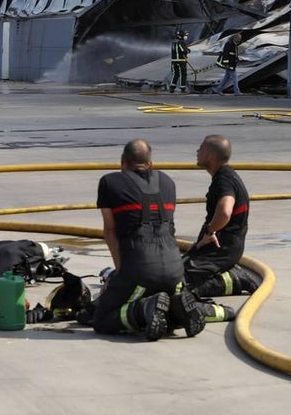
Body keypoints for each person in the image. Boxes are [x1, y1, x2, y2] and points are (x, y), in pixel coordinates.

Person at [92, 139, 204, 341]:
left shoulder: (109, 182)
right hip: (175, 270)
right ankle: (176, 309)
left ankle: (144, 308)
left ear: (122, 161)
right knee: (159, 302)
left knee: (102, 319)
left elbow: (110, 231)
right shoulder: (168, 182)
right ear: (150, 163)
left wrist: (119, 271)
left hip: (139, 268)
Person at [183, 135, 261, 321]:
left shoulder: (223, 180)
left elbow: (225, 211)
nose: (197, 151)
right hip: (223, 248)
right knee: (175, 270)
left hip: (220, 249)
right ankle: (231, 278)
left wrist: (210, 231)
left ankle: (234, 279)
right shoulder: (226, 176)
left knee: (180, 284)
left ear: (210, 154)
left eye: (201, 148)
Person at [170, 29, 190, 93]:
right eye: (185, 35)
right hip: (181, 62)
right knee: (183, 75)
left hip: (173, 61)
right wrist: (188, 51)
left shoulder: (173, 43)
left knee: (175, 74)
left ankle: (172, 88)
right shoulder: (181, 42)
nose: (186, 36)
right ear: (182, 36)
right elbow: (184, 51)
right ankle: (183, 89)